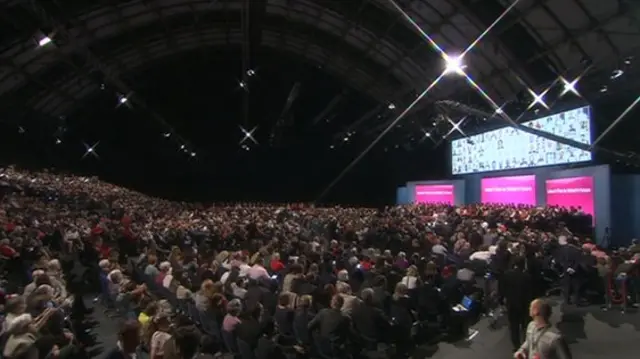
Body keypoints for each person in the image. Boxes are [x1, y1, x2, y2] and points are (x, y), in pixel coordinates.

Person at [503, 256, 533, 351]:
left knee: (514, 326)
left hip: (512, 304)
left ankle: (516, 346)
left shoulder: (507, 274)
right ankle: (525, 345)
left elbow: (502, 290)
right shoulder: (527, 277)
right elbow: (531, 292)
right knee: (525, 326)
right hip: (524, 304)